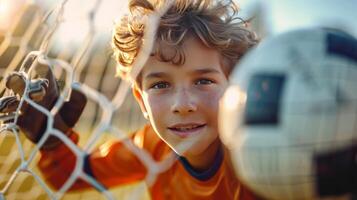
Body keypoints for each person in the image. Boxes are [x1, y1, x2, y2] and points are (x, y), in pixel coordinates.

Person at [0, 0, 259, 199]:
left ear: (235, 88)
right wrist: (54, 144)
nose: (182, 104)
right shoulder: (149, 148)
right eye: (160, 84)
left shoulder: (257, 158)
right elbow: (70, 176)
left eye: (203, 81)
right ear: (140, 99)